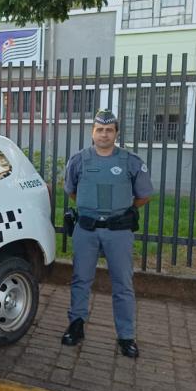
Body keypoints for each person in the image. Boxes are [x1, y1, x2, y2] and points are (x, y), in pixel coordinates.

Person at [61, 109, 153, 358]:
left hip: (118, 232)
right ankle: (76, 325)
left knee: (123, 284)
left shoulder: (130, 161)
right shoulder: (79, 160)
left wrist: (124, 210)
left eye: (109, 130)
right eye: (99, 130)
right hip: (86, 230)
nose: (104, 134)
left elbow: (144, 195)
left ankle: (126, 336)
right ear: (93, 132)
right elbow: (71, 191)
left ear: (116, 133)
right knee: (81, 280)